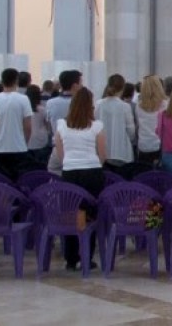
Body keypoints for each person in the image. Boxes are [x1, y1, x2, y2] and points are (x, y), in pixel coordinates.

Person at [54, 87, 106, 271]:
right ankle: (86, 256)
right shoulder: (96, 126)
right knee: (89, 217)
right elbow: (102, 154)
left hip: (70, 172)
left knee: (70, 214)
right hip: (92, 172)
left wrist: (70, 163)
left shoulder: (61, 125)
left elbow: (60, 153)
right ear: (90, 106)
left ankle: (71, 258)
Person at [0, 68, 33, 179]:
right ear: (16, 80)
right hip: (18, 147)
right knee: (18, 180)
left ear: (2, 81)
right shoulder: (23, 99)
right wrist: (25, 142)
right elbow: (28, 126)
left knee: (1, 181)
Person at [94, 74, 137, 171]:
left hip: (102, 151)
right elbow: (131, 132)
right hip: (122, 152)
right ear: (123, 88)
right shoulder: (125, 106)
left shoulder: (98, 104)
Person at [46, 70, 83, 175]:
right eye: (81, 83)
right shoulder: (82, 104)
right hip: (77, 149)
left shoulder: (50, 103)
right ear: (75, 85)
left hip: (57, 148)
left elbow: (49, 126)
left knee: (55, 178)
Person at [135, 75, 167, 165]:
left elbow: (138, 124)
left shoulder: (138, 106)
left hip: (143, 144)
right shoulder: (165, 105)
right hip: (159, 144)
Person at [25, 85, 51, 164]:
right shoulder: (42, 109)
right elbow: (47, 124)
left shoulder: (24, 109)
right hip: (41, 138)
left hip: (26, 138)